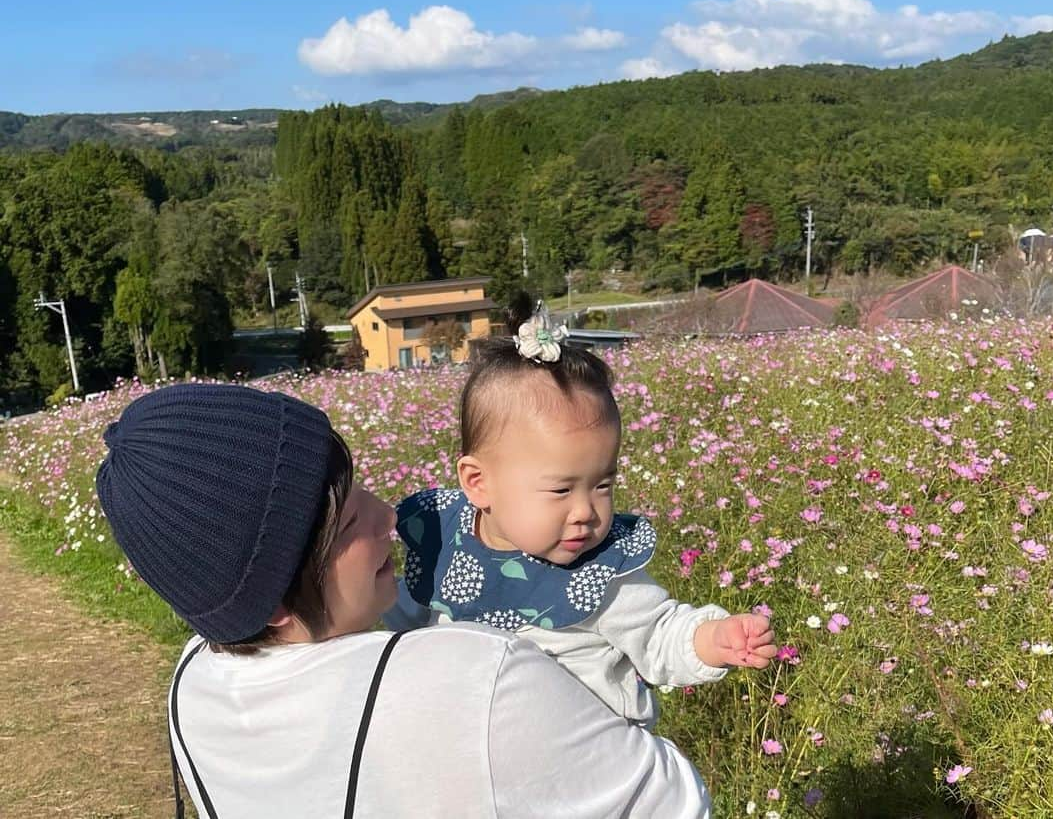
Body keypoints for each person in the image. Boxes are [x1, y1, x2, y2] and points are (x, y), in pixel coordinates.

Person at [95, 383, 713, 818]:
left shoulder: (192, 683)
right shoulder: (476, 681)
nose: (389, 516)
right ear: (276, 599)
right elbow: (672, 802)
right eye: (350, 524)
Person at [387, 302, 777, 726]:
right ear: (479, 483)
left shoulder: (598, 571)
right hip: (481, 754)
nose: (585, 512)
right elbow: (395, 624)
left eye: (603, 485)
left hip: (595, 760)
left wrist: (712, 638)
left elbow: (660, 633)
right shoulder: (444, 540)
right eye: (560, 489)